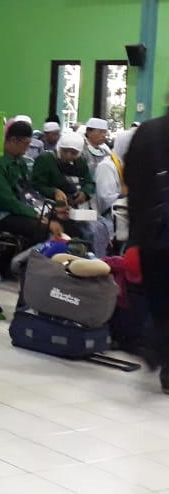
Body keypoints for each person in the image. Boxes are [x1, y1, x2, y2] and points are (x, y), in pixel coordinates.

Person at [124, 113, 169, 392]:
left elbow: (130, 180)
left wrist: (135, 237)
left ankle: (157, 346)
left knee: (159, 297)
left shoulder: (147, 132)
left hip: (151, 232)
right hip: (156, 230)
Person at [0, 120, 70, 249]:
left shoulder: (20, 162)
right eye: (25, 144)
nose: (27, 149)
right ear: (14, 140)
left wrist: (51, 210)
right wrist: (36, 215)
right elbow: (7, 200)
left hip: (22, 208)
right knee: (41, 229)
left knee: (66, 222)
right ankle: (22, 264)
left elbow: (29, 191)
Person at [30, 132, 95, 210]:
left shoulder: (80, 162)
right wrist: (54, 191)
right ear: (59, 147)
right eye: (65, 151)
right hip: (51, 207)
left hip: (76, 207)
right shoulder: (45, 159)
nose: (68, 156)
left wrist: (85, 192)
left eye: (73, 153)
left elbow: (89, 182)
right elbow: (36, 185)